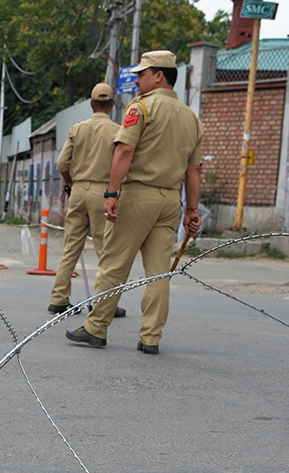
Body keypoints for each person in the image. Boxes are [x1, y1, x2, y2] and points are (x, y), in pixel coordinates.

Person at [66, 50, 203, 355]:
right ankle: (151, 337)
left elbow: (124, 152)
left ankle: (95, 328)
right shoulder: (191, 118)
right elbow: (193, 171)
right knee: (159, 272)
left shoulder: (140, 109)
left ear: (159, 75)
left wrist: (112, 194)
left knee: (114, 265)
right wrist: (191, 210)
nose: (136, 79)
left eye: (142, 74)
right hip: (170, 201)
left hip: (137, 196)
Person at [48, 83, 125, 319]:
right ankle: (103, 303)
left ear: (91, 105)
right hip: (104, 193)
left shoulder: (77, 129)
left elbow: (62, 164)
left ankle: (58, 299)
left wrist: (69, 182)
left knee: (71, 246)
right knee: (105, 250)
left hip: (79, 191)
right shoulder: (118, 131)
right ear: (112, 104)